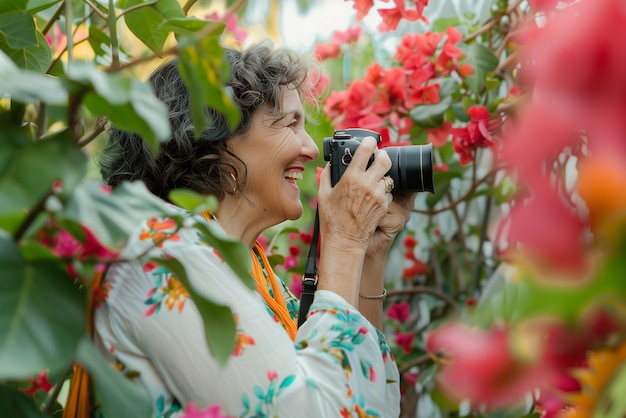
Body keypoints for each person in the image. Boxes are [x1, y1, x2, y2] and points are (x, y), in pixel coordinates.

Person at [94, 42, 414, 417]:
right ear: (220, 141)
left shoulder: (255, 276)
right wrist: (343, 243)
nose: (311, 148)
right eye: (290, 123)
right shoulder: (164, 257)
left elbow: (373, 399)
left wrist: (369, 255)